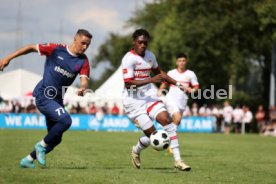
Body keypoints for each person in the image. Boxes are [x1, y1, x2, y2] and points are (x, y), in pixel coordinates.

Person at [0, 29, 92, 168]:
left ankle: (28, 160)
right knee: (66, 121)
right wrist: (8, 58)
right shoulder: (56, 49)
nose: (85, 47)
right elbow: (31, 47)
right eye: (83, 43)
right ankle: (40, 146)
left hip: (57, 100)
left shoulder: (83, 61)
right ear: (75, 39)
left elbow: (84, 79)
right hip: (44, 96)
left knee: (55, 139)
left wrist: (83, 87)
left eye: (88, 45)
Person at [122, 28, 191, 171]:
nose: (142, 45)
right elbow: (128, 84)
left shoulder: (150, 56)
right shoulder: (128, 59)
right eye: (140, 42)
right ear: (134, 42)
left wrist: (178, 84)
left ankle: (178, 160)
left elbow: (160, 73)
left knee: (167, 120)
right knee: (152, 137)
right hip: (134, 102)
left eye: (145, 43)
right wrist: (150, 79)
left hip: (149, 96)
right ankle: (136, 150)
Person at [158, 53, 199, 153]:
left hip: (182, 103)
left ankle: (161, 139)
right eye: (180, 61)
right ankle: (171, 145)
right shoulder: (171, 73)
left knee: (174, 123)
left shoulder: (191, 74)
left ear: (186, 62)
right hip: (171, 100)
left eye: (183, 61)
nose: (181, 63)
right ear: (176, 62)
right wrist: (160, 91)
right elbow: (164, 84)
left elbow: (196, 88)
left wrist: (192, 90)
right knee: (178, 118)